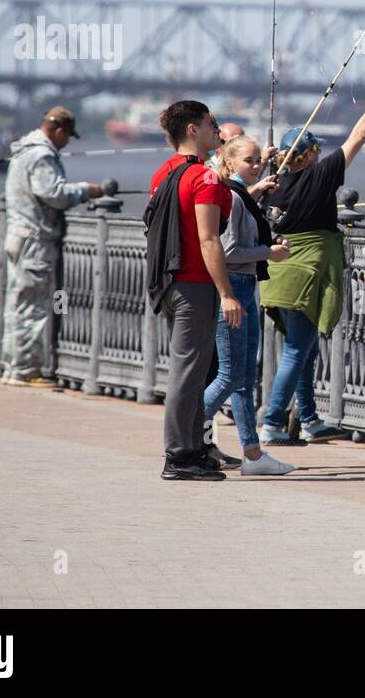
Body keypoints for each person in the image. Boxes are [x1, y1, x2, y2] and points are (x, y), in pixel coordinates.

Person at [259, 83, 365, 445]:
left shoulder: (271, 184)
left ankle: (309, 419)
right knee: (297, 351)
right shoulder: (321, 175)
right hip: (303, 279)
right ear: (313, 152)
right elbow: (359, 136)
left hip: (274, 277)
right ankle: (271, 424)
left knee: (306, 348)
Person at [148, 100, 239, 482]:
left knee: (195, 370)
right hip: (195, 284)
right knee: (188, 373)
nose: (215, 130)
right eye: (210, 123)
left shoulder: (163, 173)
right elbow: (208, 240)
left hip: (169, 283)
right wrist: (227, 293)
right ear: (192, 130)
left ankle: (195, 448)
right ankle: (179, 455)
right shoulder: (204, 178)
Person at [200, 135, 297, 475]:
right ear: (229, 163)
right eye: (249, 161)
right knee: (229, 374)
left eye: (259, 160)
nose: (256, 166)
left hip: (246, 286)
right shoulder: (233, 198)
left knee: (243, 377)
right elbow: (227, 252)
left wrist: (268, 245)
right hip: (235, 287)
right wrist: (269, 253)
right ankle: (185, 428)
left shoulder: (241, 195)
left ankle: (253, 454)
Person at [1, 108, 101, 387]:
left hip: (18, 236)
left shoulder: (22, 151)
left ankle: (13, 367)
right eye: (67, 136)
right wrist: (88, 190)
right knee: (33, 306)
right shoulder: (41, 155)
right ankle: (26, 370)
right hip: (35, 240)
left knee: (16, 303)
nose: (67, 142)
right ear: (58, 130)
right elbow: (53, 194)